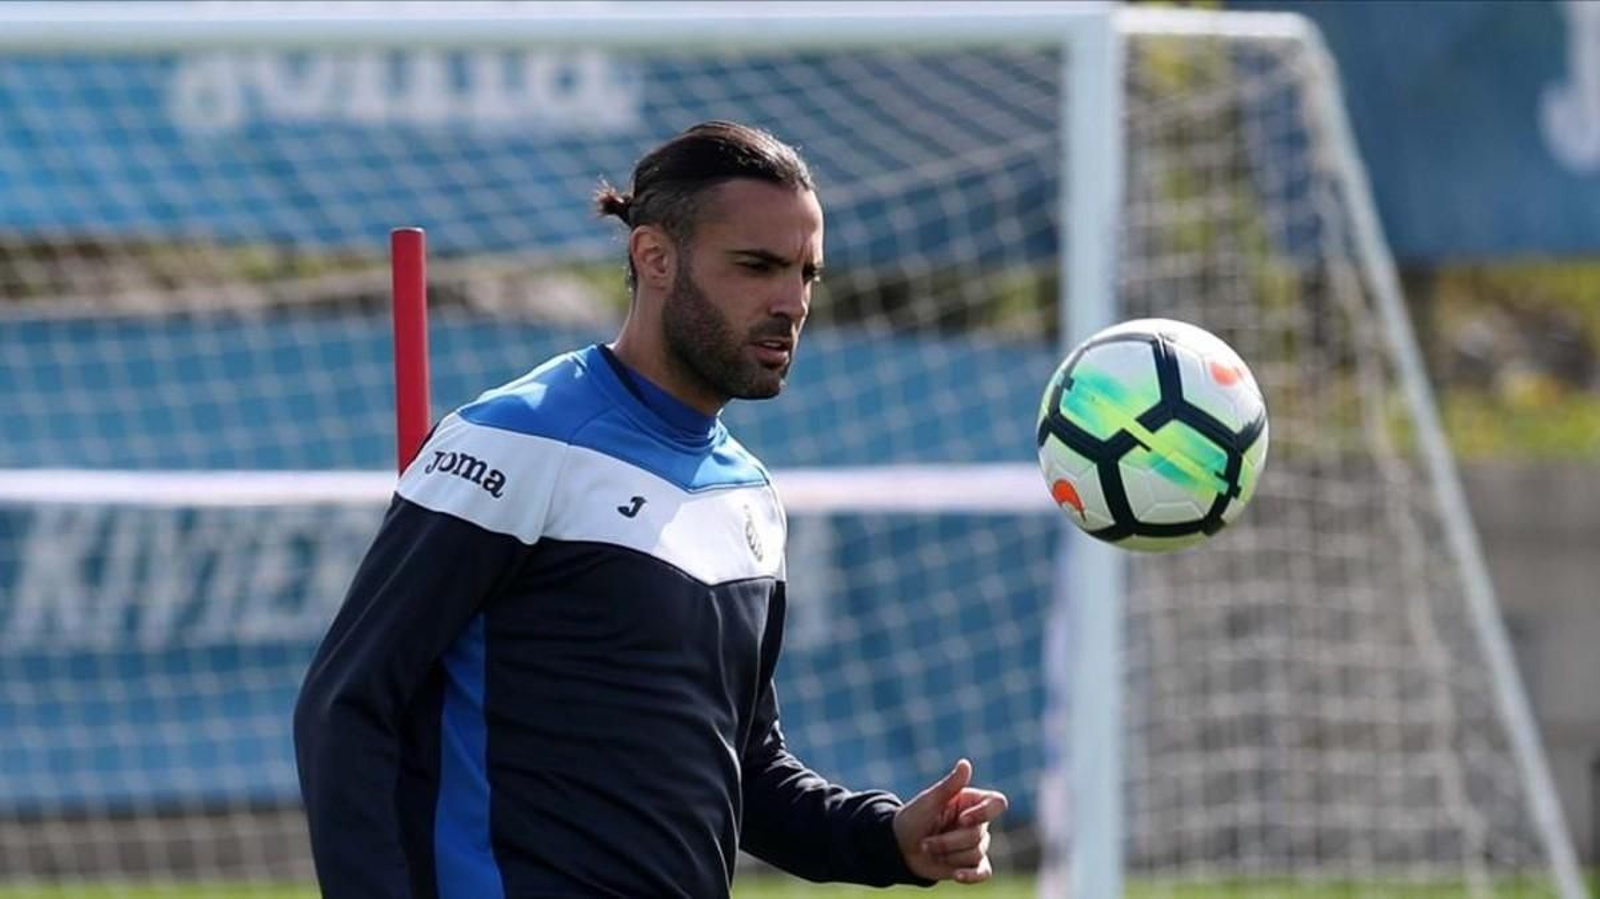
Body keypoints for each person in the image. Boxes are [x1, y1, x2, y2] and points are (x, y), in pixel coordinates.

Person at [293, 120, 1009, 898]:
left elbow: (748, 768)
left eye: (807, 273)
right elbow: (348, 704)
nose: (790, 301)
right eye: (757, 266)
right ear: (654, 256)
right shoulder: (515, 439)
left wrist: (885, 836)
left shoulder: (751, 498)